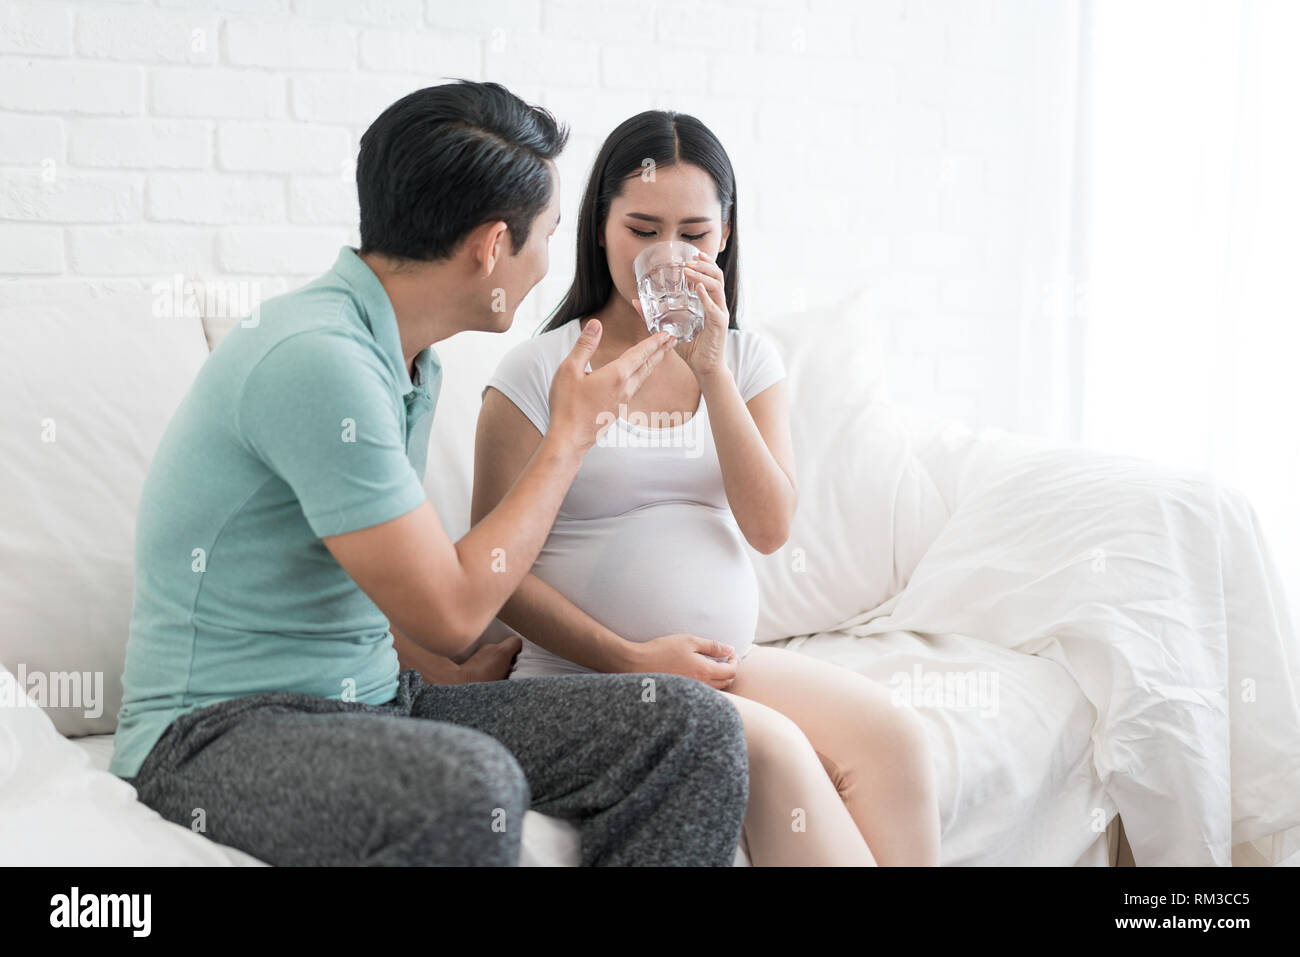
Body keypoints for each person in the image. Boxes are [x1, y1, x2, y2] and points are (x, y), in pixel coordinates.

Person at [107, 81, 750, 867]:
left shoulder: (409, 361)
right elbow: (450, 608)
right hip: (211, 734)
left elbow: (385, 588)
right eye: (545, 235)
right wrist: (571, 434)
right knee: (469, 786)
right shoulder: (320, 361)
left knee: (688, 728)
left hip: (371, 703)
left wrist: (446, 671)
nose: (550, 260)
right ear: (490, 248)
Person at [474, 110, 942, 866]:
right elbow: (493, 578)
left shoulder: (749, 360)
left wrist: (711, 368)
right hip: (584, 677)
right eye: (642, 227)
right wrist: (634, 656)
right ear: (600, 229)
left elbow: (769, 527)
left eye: (693, 233)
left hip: (721, 661)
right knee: (782, 753)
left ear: (723, 237)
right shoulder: (537, 372)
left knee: (898, 736)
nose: (668, 253)